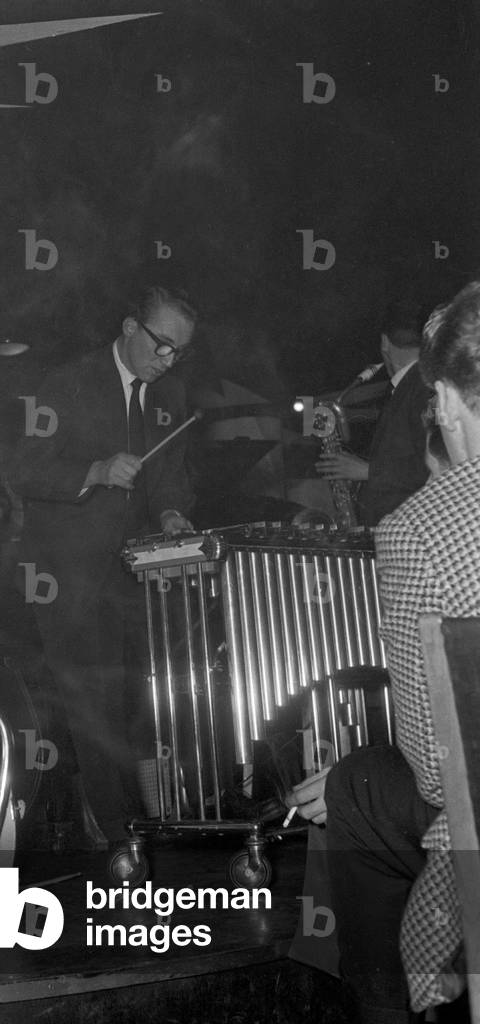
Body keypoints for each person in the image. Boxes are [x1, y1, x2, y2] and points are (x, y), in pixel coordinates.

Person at [287, 281, 480, 1022]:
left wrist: (348, 773)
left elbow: (438, 772)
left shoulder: (418, 529)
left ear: (451, 404)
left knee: (360, 786)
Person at [10, 285, 197, 841]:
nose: (169, 361)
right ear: (129, 327)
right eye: (162, 345)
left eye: (179, 352)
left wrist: (170, 515)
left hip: (135, 574)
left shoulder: (171, 396)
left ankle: (138, 816)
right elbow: (19, 469)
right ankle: (118, 833)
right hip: (67, 579)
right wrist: (94, 471)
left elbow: (172, 478)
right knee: (93, 708)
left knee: (141, 701)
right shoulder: (63, 384)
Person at [316, 298, 431, 526]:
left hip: (409, 531)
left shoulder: (421, 386)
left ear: (385, 343)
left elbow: (435, 466)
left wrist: (368, 471)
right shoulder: (410, 385)